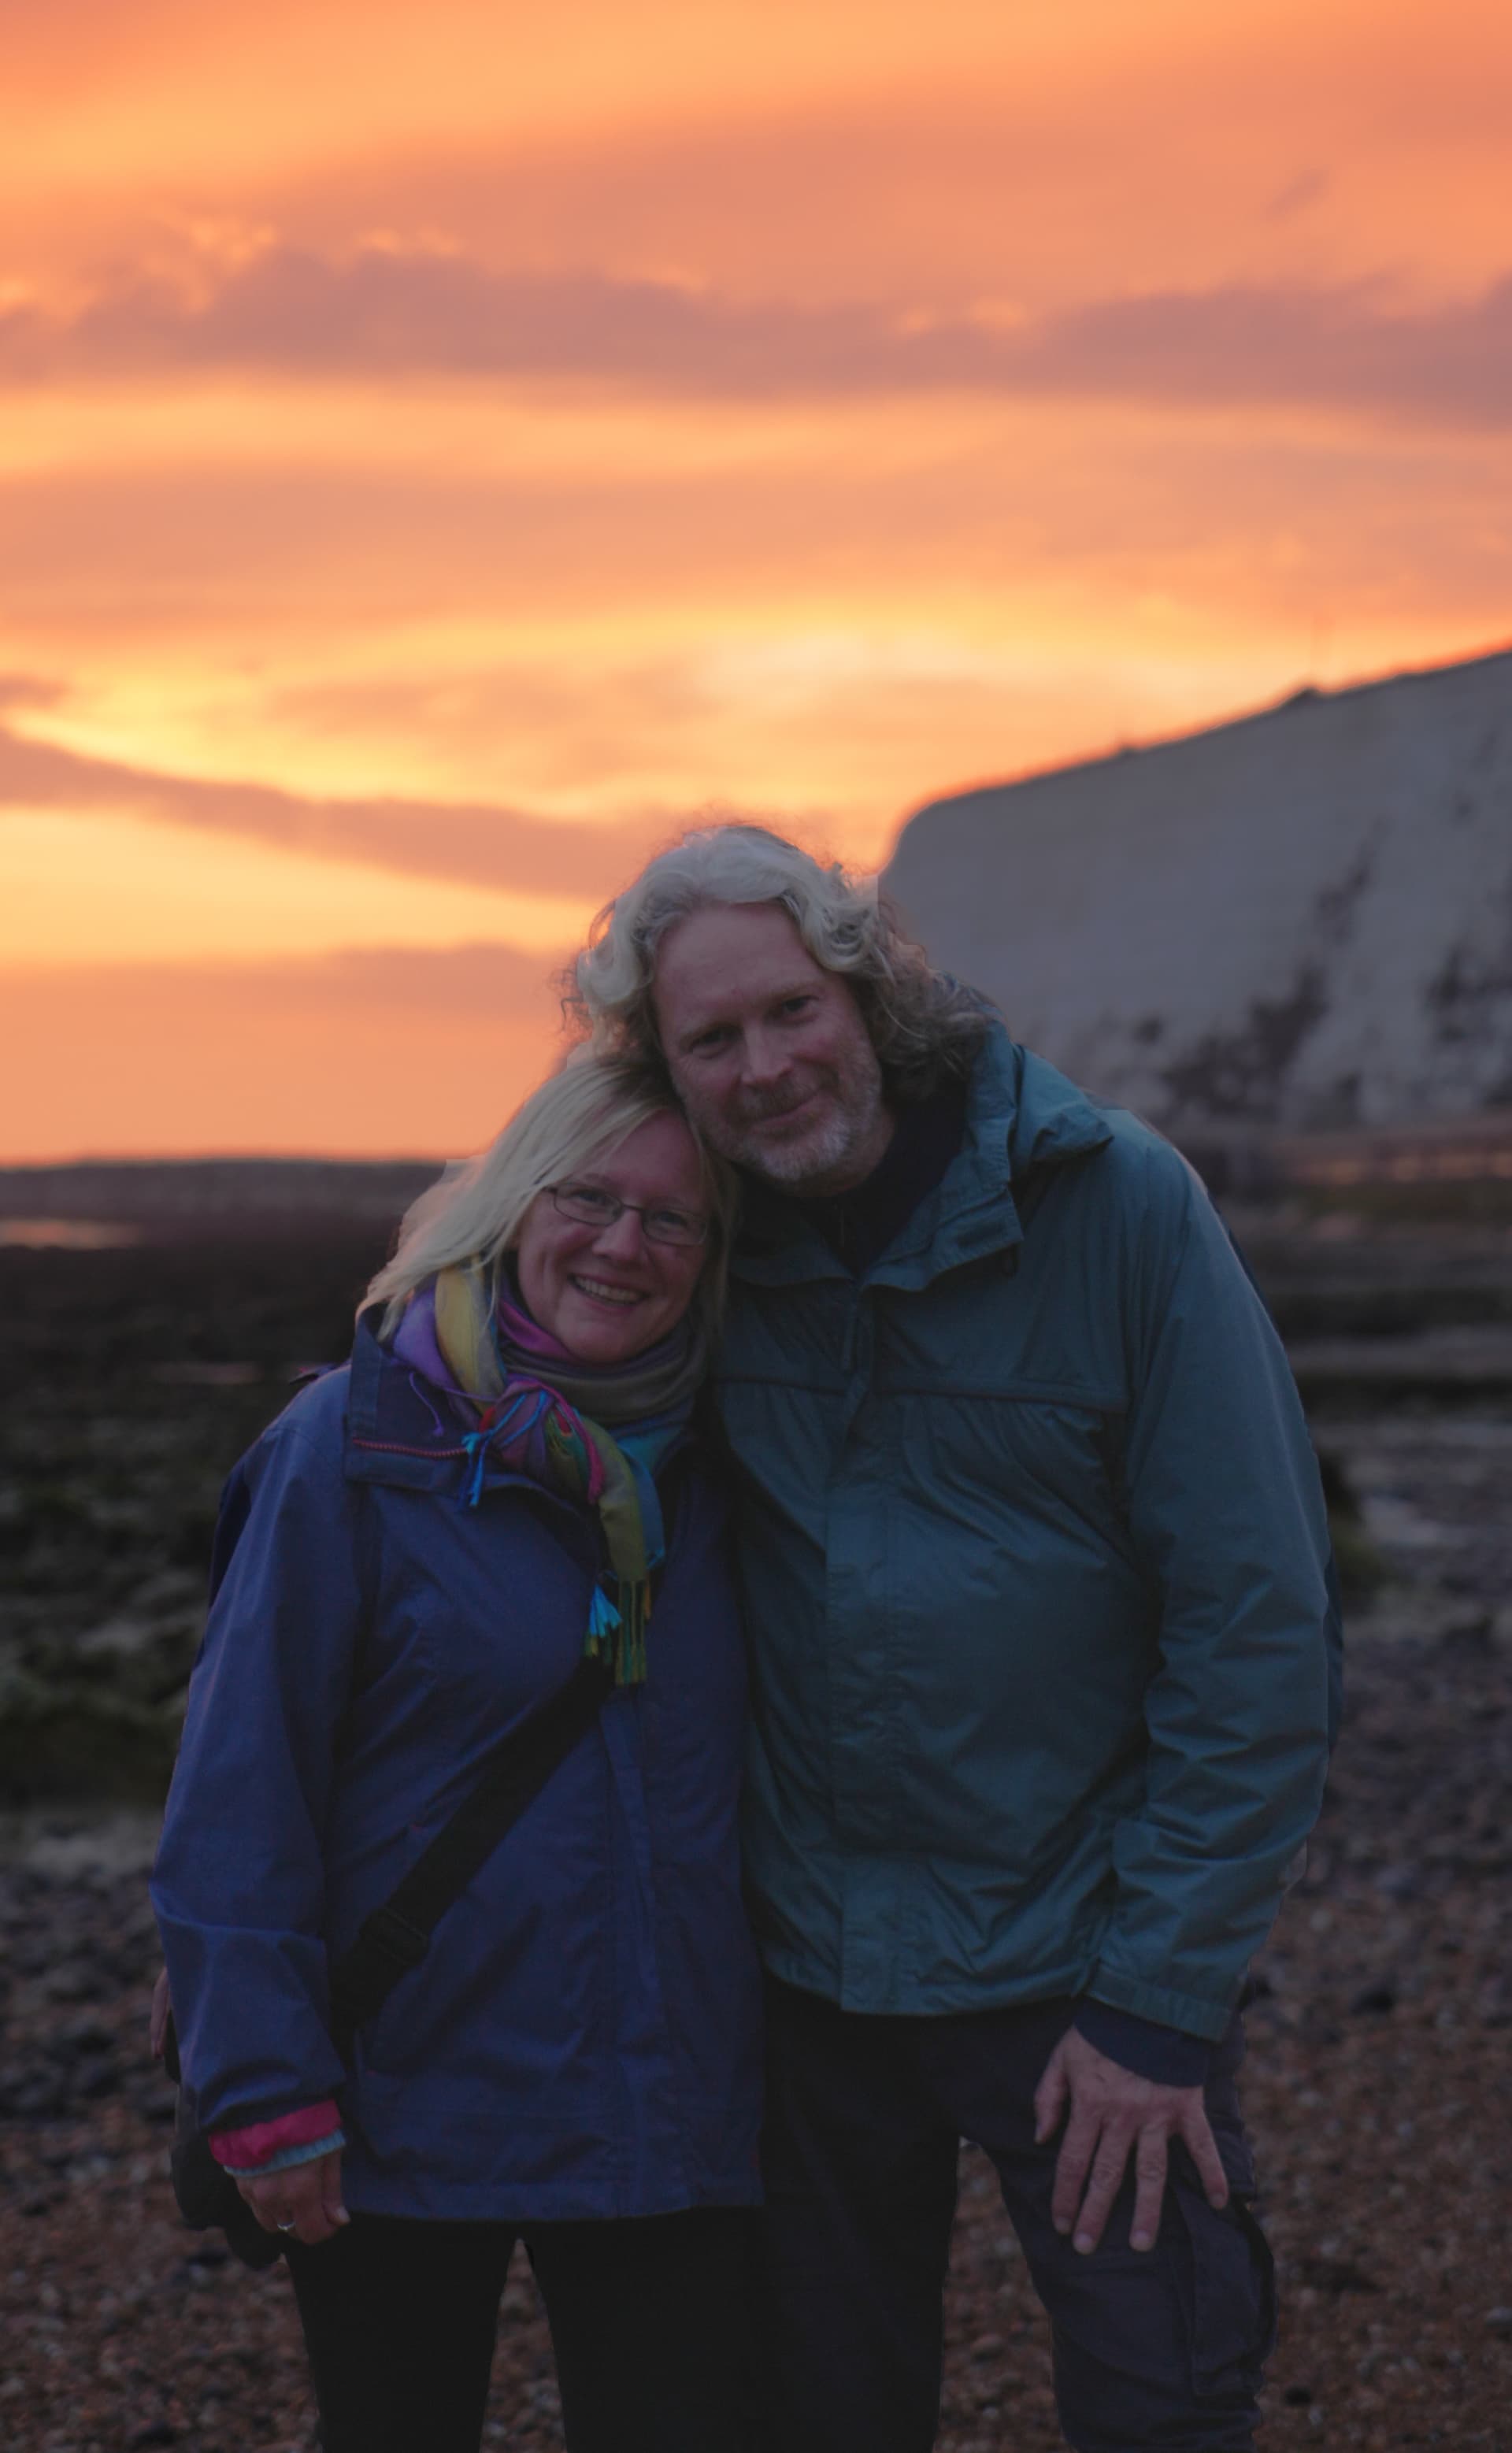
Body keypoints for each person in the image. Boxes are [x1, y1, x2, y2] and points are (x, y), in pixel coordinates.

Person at [568, 824, 1337, 2453]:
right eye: (712, 1040)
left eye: (790, 1010)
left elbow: (1257, 1627)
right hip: (805, 1986)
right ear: (668, 1072)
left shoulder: (1116, 1205)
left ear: (867, 981)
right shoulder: (707, 1246)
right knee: (822, 2417)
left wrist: (1160, 2002)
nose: (766, 1068)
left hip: (1083, 1963)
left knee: (1164, 2402)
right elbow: (501, 1379)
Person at [150, 1054, 762, 2453]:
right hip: (399, 2100)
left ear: (715, 1257)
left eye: (674, 1221)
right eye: (589, 1197)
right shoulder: (350, 1448)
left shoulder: (734, 1462)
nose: (624, 1244)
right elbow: (240, 1791)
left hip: (669, 2100)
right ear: (510, 1200)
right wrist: (262, 2087)